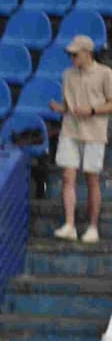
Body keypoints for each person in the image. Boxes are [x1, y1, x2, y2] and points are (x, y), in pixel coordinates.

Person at [51, 35, 112, 242]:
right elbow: (69, 104)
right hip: (70, 129)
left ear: (87, 53)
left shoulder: (105, 73)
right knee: (68, 176)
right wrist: (60, 109)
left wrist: (92, 110)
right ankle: (69, 224)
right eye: (70, 54)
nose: (72, 58)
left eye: (75, 54)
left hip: (94, 132)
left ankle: (93, 227)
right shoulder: (68, 74)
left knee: (92, 179)